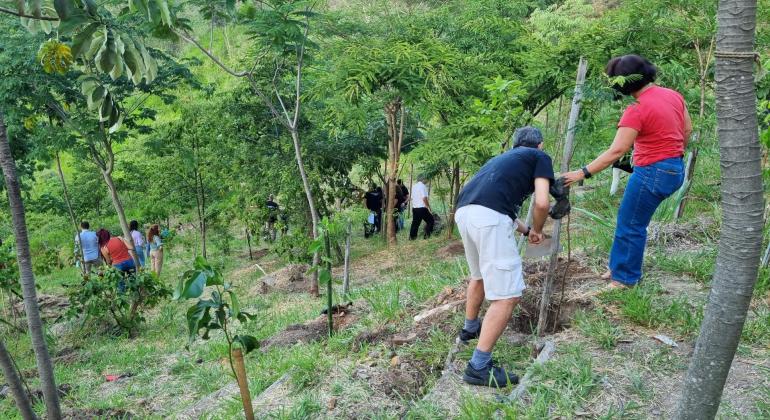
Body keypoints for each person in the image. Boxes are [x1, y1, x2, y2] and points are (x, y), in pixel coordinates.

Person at [563, 55, 691, 289]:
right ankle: (619, 266)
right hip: (675, 168)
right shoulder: (673, 95)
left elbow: (617, 151)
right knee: (630, 219)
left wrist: (582, 173)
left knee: (631, 223)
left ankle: (624, 279)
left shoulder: (637, 109)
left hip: (652, 171)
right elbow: (687, 129)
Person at [455, 126, 553, 387]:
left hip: (465, 213)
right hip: (488, 218)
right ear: (539, 145)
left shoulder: (500, 162)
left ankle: (470, 328)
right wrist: (540, 230)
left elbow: (502, 209)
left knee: (479, 276)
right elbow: (542, 203)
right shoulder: (540, 158)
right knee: (508, 295)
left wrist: (529, 230)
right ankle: (479, 366)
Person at [409, 175, 434, 240]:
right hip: (422, 208)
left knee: (415, 223)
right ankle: (427, 237)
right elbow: (424, 198)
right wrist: (428, 207)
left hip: (415, 208)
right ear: (423, 179)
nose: (427, 181)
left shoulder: (414, 186)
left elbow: (411, 197)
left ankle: (412, 238)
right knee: (430, 220)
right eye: (426, 179)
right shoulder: (422, 186)